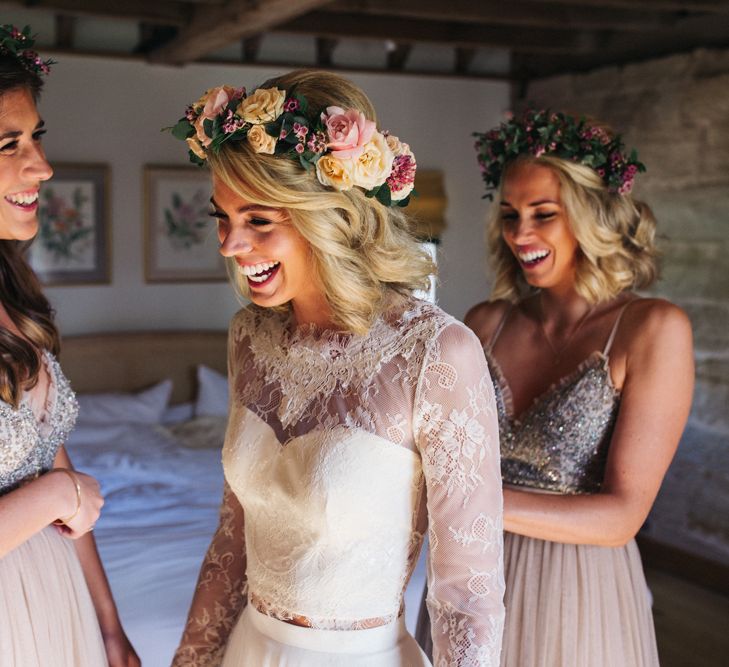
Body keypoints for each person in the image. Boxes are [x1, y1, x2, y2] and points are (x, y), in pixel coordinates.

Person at [168, 70, 505, 666]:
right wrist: (190, 659)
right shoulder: (249, 336)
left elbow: (464, 595)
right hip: (248, 650)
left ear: (330, 215)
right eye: (222, 217)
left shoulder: (436, 354)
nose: (228, 244)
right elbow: (230, 538)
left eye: (259, 220)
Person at [418, 108, 693, 666]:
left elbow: (621, 517)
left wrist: (466, 500)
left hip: (577, 586)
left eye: (544, 214)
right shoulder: (487, 323)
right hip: (470, 572)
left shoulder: (652, 329)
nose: (521, 234)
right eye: (511, 214)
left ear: (592, 215)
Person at [0, 24, 139, 667]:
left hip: (57, 606)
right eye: (10, 143)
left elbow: (50, 456)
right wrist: (59, 498)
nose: (43, 166)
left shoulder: (15, 295)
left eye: (36, 137)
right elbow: (60, 488)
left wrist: (108, 627)